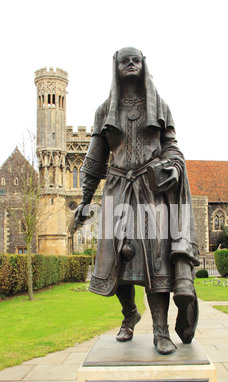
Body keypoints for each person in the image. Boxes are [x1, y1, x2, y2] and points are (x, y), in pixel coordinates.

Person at [74, 47, 200, 355]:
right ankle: (129, 314)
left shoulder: (160, 106)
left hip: (151, 191)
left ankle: (161, 330)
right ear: (115, 68)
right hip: (117, 190)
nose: (130, 64)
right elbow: (94, 159)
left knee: (156, 260)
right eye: (124, 60)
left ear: (143, 66)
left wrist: (172, 165)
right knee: (120, 258)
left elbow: (172, 147)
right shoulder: (105, 110)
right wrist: (84, 200)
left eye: (136, 60)